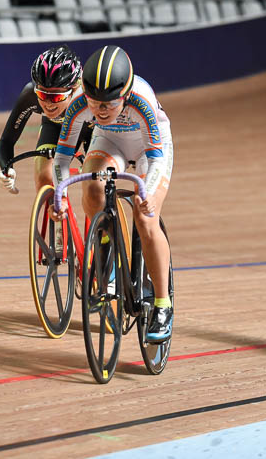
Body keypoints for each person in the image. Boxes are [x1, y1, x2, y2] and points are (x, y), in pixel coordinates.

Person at [52, 45, 174, 342]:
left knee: (146, 219)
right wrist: (60, 196)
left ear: (125, 95)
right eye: (94, 103)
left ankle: (162, 304)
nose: (100, 110)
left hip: (150, 150)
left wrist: (146, 194)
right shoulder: (80, 103)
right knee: (93, 187)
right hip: (110, 143)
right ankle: (106, 256)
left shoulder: (141, 100)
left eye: (108, 104)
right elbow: (62, 160)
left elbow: (156, 158)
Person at [0, 45, 91, 194]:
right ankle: (56, 213)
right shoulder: (30, 95)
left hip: (90, 129)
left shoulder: (89, 97)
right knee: (44, 178)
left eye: (56, 97)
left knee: (96, 186)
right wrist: (6, 169)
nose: (48, 103)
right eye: (42, 95)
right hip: (54, 127)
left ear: (74, 89)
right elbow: (6, 141)